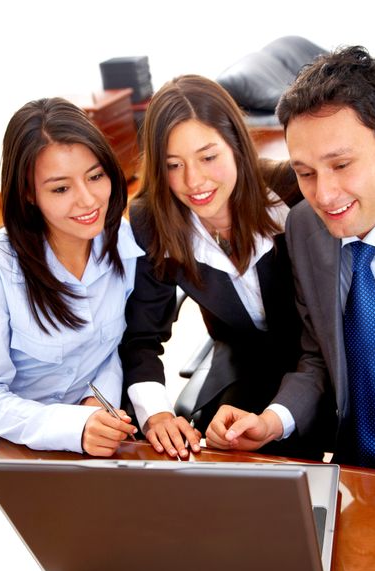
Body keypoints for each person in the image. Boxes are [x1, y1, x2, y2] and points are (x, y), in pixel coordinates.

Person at [206, 46, 375, 476]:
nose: (324, 196)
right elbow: (318, 357)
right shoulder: (305, 229)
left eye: (341, 164)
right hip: (357, 477)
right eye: (305, 172)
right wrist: (270, 422)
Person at [119, 74, 317, 460]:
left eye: (208, 157)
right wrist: (156, 413)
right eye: (173, 165)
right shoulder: (152, 219)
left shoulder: (293, 188)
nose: (194, 182)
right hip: (246, 360)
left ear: (237, 146)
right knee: (221, 455)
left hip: (324, 360)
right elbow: (142, 337)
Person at [0, 97, 143, 455]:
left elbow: (108, 351)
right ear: (29, 193)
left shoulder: (122, 241)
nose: (88, 200)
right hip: (16, 450)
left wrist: (96, 402)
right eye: (61, 188)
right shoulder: (0, 268)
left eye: (95, 176)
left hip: (98, 438)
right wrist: (74, 426)